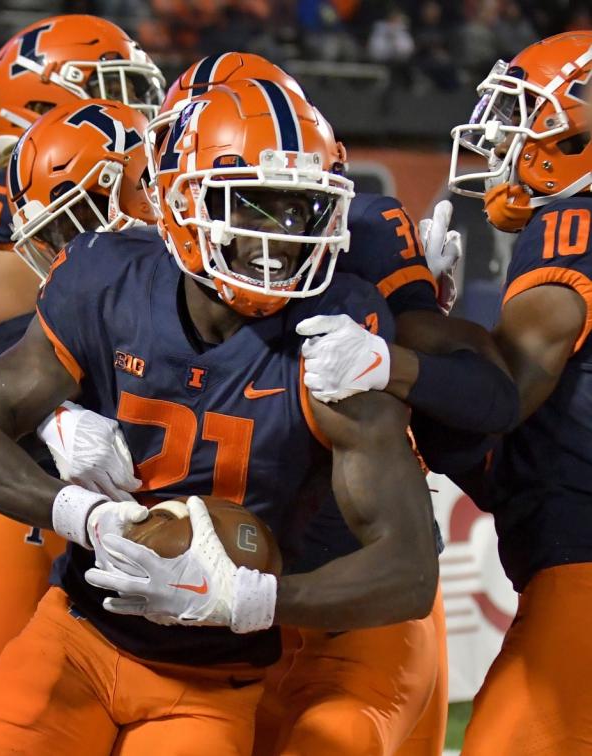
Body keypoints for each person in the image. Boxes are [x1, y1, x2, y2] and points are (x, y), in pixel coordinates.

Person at [0, 78, 439, 756]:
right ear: (178, 198)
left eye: (301, 211)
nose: (278, 240)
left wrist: (243, 598)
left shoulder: (333, 339)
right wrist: (85, 517)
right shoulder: (106, 280)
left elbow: (407, 571)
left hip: (215, 677)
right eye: (252, 206)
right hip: (78, 636)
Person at [154, 52, 519, 755]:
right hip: (207, 598)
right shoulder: (130, 260)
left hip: (354, 586)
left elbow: (484, 400)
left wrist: (395, 355)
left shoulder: (363, 233)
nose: (270, 222)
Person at [0, 16, 165, 756]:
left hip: (110, 492)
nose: (139, 102)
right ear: (34, 105)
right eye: (113, 87)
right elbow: (26, 340)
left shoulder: (144, 185)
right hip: (9, 487)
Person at [443, 31, 592, 754]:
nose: (505, 139)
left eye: (524, 116)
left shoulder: (570, 227)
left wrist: (415, 349)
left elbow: (504, 399)